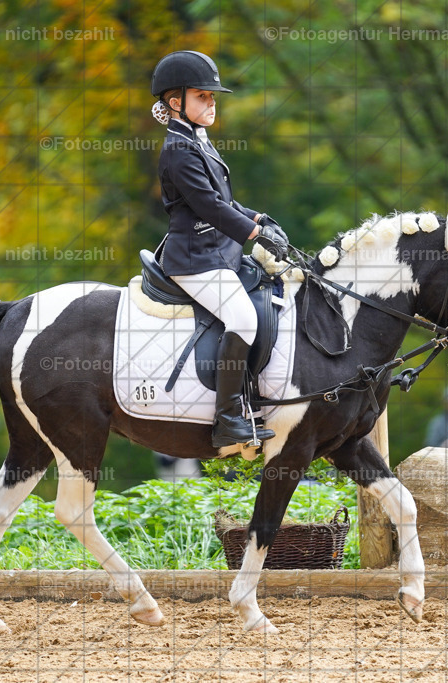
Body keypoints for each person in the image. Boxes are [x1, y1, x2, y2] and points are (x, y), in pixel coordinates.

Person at [150, 51, 289, 448]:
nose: (211, 103)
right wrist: (252, 234)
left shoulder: (196, 141)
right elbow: (208, 207)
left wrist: (259, 219)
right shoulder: (178, 150)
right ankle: (227, 418)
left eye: (212, 96)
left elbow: (223, 200)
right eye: (202, 96)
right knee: (244, 320)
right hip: (194, 260)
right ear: (175, 102)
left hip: (218, 252)